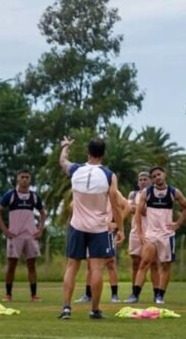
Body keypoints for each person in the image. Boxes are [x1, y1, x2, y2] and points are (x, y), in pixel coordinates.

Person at [57, 136, 124, 320]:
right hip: (98, 228)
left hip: (77, 225)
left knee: (72, 266)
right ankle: (94, 309)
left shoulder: (76, 170)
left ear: (88, 152)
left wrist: (65, 147)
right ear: (103, 154)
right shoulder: (109, 175)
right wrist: (120, 228)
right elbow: (115, 205)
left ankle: (66, 308)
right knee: (96, 269)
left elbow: (62, 161)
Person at [127, 166, 186, 304]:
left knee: (165, 266)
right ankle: (135, 295)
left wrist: (178, 223)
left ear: (164, 174)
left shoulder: (173, 192)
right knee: (144, 263)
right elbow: (138, 213)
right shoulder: (147, 192)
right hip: (151, 235)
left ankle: (159, 296)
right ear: (152, 179)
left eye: (159, 174)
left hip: (167, 235)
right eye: (154, 176)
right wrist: (140, 233)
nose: (157, 177)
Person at [0, 169, 46, 302]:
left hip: (30, 235)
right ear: (17, 179)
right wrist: (5, 230)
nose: (24, 179)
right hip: (15, 235)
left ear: (30, 180)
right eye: (22, 177)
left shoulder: (34, 197)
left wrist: (40, 229)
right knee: (12, 265)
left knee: (31, 265)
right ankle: (8, 294)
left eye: (27, 177)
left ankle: (34, 295)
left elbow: (43, 213)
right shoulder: (10, 195)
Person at [77, 189, 131, 304]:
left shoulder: (112, 191)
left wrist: (117, 223)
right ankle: (88, 295)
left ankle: (114, 295)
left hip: (106, 231)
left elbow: (127, 206)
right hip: (90, 230)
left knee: (110, 262)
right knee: (90, 264)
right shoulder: (88, 189)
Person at [127, 173, 159, 295]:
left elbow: (152, 211)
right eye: (140, 180)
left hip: (152, 232)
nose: (142, 181)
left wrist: (137, 208)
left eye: (145, 179)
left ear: (150, 181)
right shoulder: (133, 194)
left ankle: (157, 293)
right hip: (136, 231)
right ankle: (134, 292)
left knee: (154, 263)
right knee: (135, 262)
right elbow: (129, 208)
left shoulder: (155, 194)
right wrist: (140, 208)